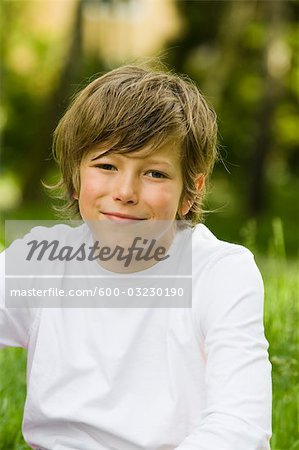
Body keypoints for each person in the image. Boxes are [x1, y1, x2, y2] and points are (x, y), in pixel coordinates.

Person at [0, 64, 272, 449]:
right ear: (76, 178)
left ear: (191, 192)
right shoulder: (41, 261)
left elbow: (240, 426)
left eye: (155, 174)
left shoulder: (221, 273)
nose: (125, 191)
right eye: (106, 166)